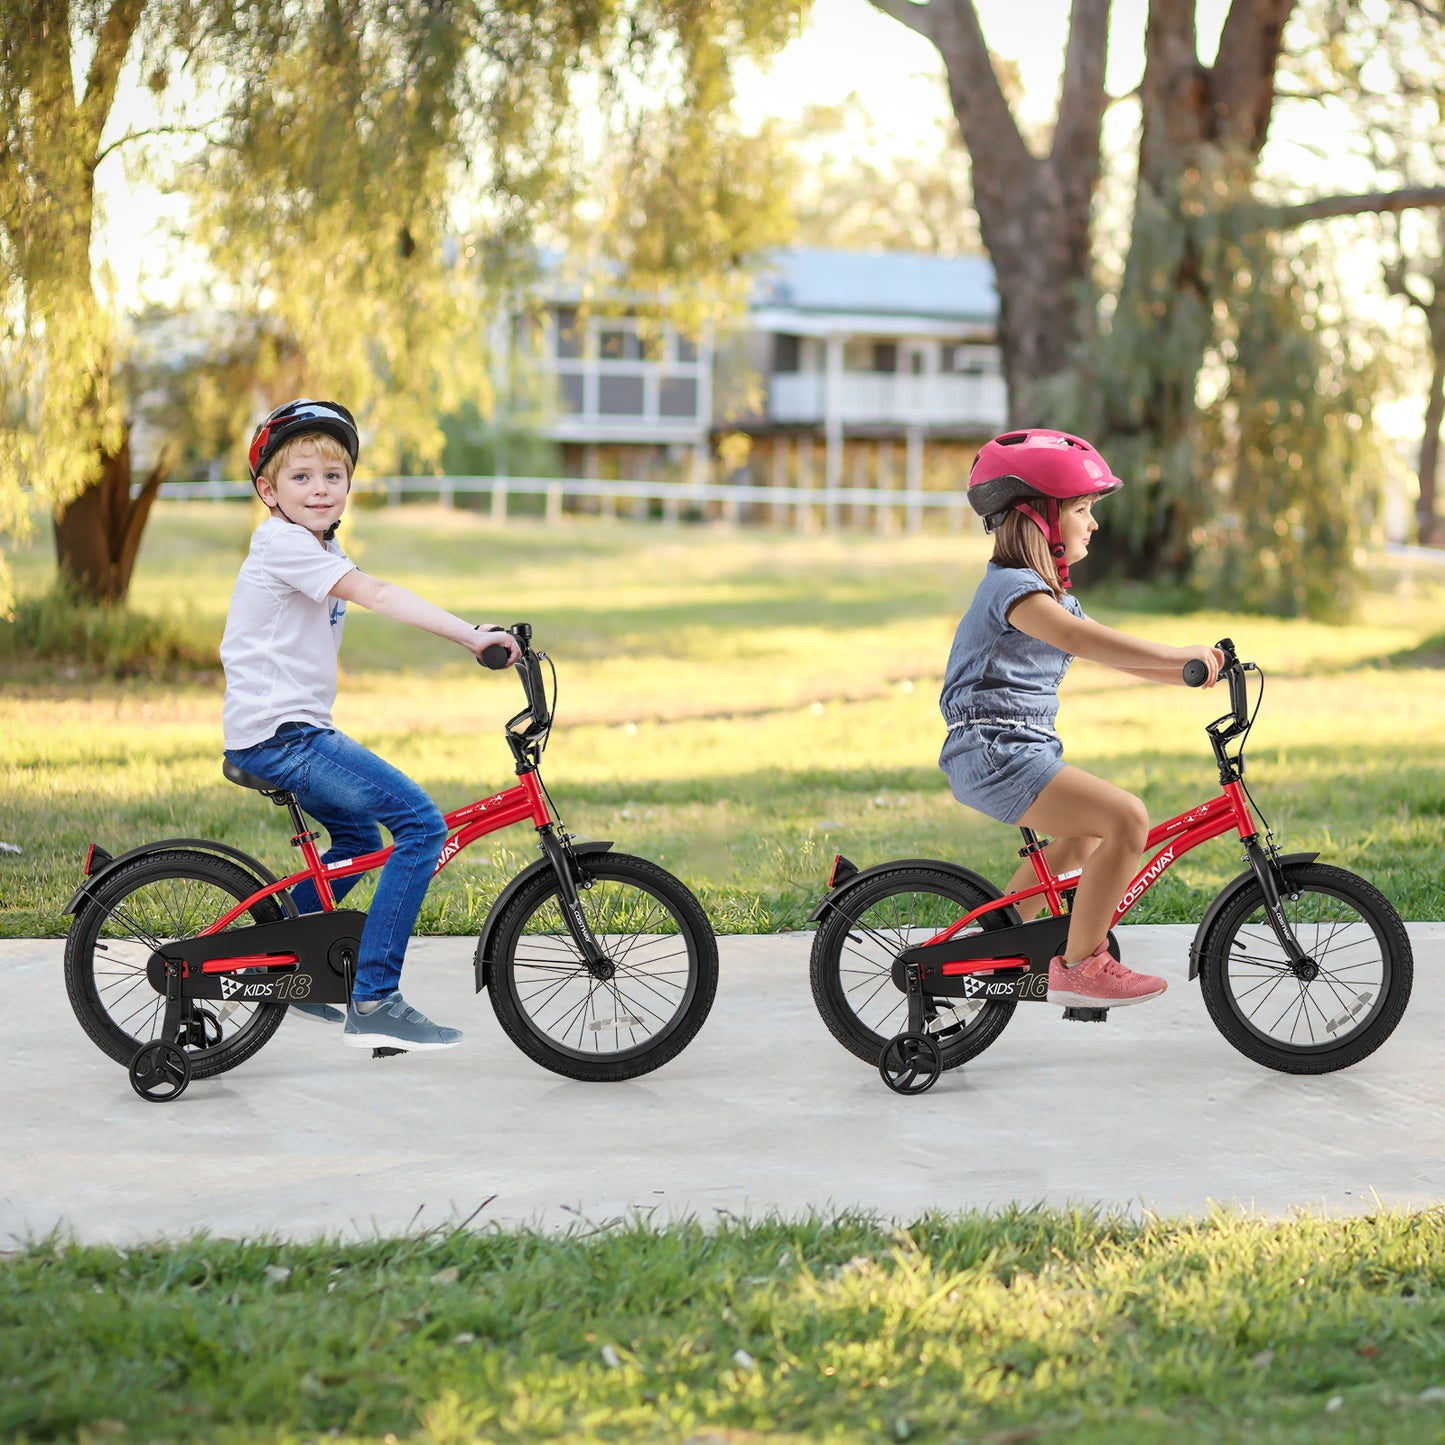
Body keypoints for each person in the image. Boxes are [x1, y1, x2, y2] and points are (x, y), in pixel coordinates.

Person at [220, 398, 521, 1051]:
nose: (320, 489)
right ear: (268, 491)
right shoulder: (283, 544)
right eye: (301, 477)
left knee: (357, 835)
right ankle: (375, 997)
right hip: (283, 736)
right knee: (421, 825)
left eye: (332, 476)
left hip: (283, 730)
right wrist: (470, 635)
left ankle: (276, 961)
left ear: (349, 484)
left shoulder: (316, 544)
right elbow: (378, 594)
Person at [938, 428, 1224, 1008]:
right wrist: (1179, 657)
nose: (1093, 523)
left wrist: (1191, 672)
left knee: (1077, 839)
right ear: (1039, 518)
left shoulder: (1047, 595)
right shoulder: (1017, 593)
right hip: (994, 752)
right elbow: (1085, 641)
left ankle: (993, 956)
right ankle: (1079, 965)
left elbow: (1111, 652)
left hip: (1016, 749)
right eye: (1082, 509)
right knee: (1126, 819)